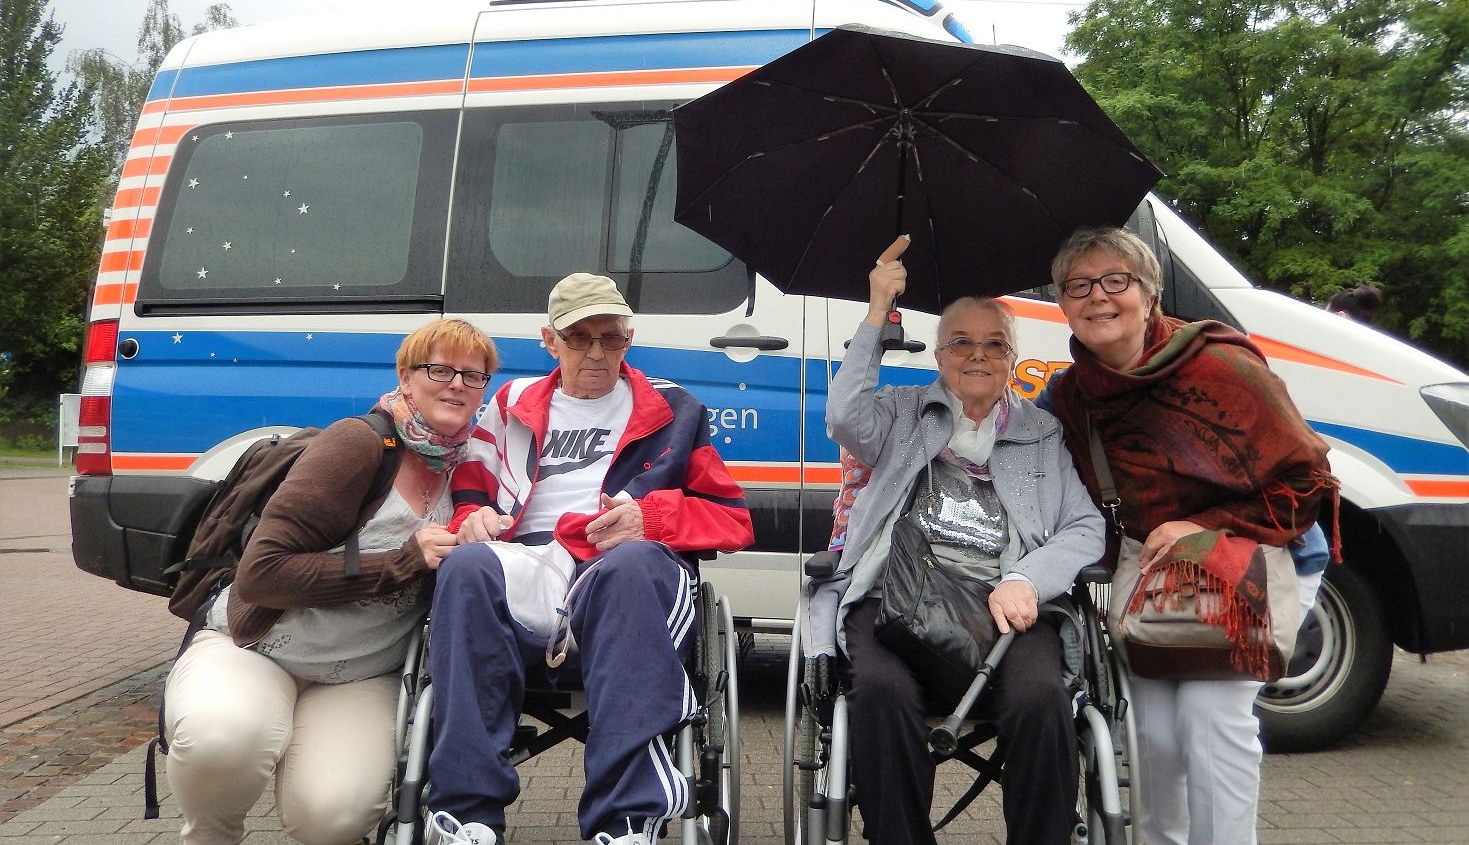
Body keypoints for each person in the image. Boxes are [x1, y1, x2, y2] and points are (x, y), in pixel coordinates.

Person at [424, 273, 754, 845]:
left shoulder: (675, 409)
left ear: (629, 338)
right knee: (466, 566)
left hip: (619, 569)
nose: (599, 353)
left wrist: (650, 520)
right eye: (581, 339)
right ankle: (467, 815)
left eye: (613, 339)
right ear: (550, 341)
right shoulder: (510, 403)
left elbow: (731, 518)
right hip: (529, 559)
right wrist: (469, 521)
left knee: (632, 566)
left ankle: (623, 822)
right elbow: (470, 491)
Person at [1041, 227, 1337, 845]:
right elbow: (1050, 487)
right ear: (1063, 304)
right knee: (1150, 733)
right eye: (1078, 286)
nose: (1098, 296)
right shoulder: (1071, 397)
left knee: (1210, 714)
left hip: (1260, 551)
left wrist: (1198, 525)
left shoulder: (1219, 366)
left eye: (1116, 280)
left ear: (1149, 295)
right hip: (1152, 567)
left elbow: (1308, 481)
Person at [806, 249, 1107, 845]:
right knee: (882, 693)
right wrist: (877, 310)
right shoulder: (901, 412)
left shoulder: (1040, 432)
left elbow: (1085, 527)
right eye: (961, 342)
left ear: (1013, 359)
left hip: (1006, 607)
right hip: (898, 594)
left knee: (1043, 696)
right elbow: (842, 417)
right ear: (939, 356)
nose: (977, 354)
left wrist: (1027, 579)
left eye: (995, 344)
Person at [163, 318, 498, 845]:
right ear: (406, 377)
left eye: (472, 376)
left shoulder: (473, 468)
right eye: (439, 369)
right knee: (224, 739)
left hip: (364, 673)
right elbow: (263, 572)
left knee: (333, 817)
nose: (456, 384)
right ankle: (211, 835)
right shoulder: (359, 444)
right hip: (258, 645)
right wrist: (401, 561)